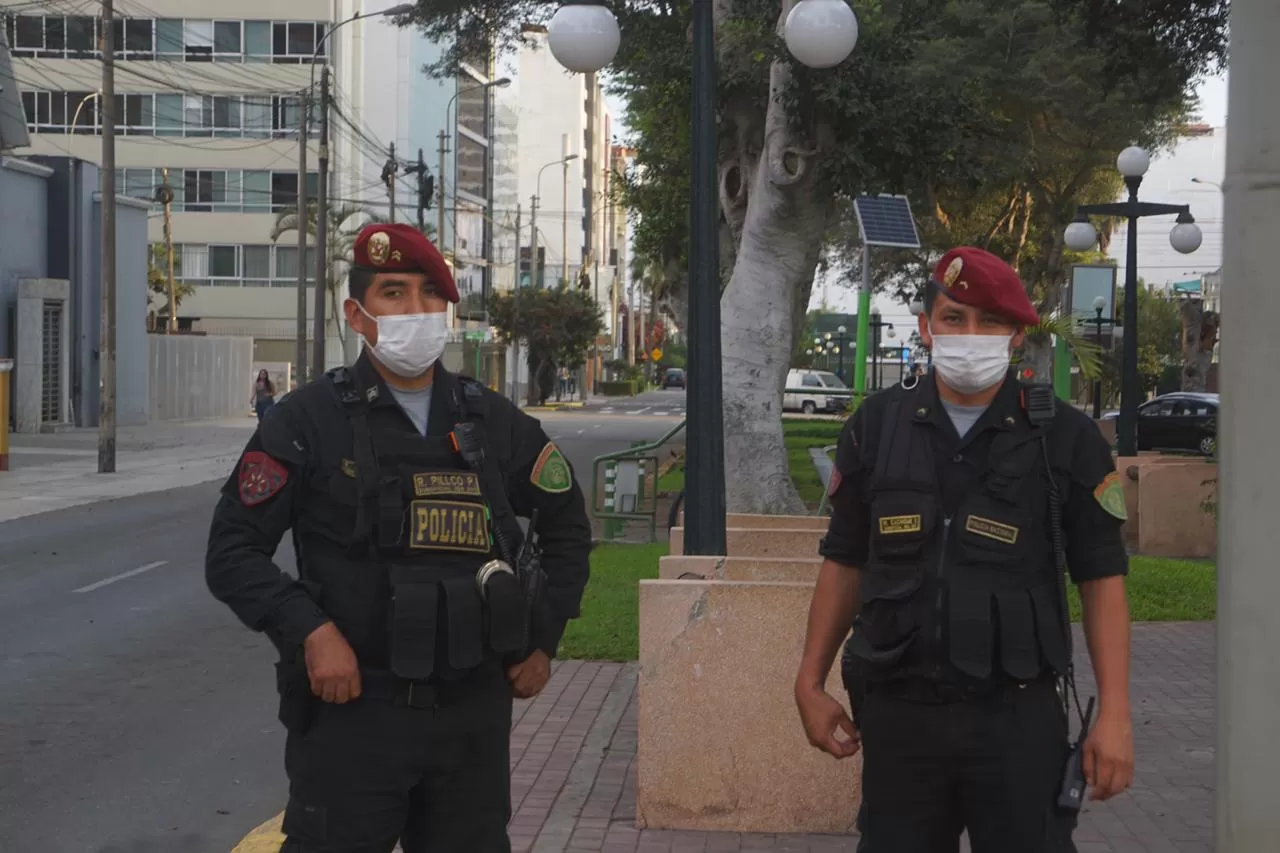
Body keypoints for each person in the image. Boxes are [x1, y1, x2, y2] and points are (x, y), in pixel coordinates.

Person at [206, 223, 592, 852]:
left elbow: (568, 526)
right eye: (394, 294)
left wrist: (543, 639)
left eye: (429, 296)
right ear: (357, 315)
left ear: (447, 310)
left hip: (471, 720)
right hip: (353, 717)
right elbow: (232, 552)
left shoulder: (493, 422)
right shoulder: (307, 421)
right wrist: (310, 632)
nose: (415, 312)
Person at [794, 246, 1134, 852]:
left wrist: (1114, 713)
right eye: (954, 319)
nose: (969, 336)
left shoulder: (1064, 438)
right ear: (926, 327)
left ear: (1015, 334)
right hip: (900, 717)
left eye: (990, 321)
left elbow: (1102, 578)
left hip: (1017, 718)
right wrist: (809, 682)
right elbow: (845, 560)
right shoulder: (876, 427)